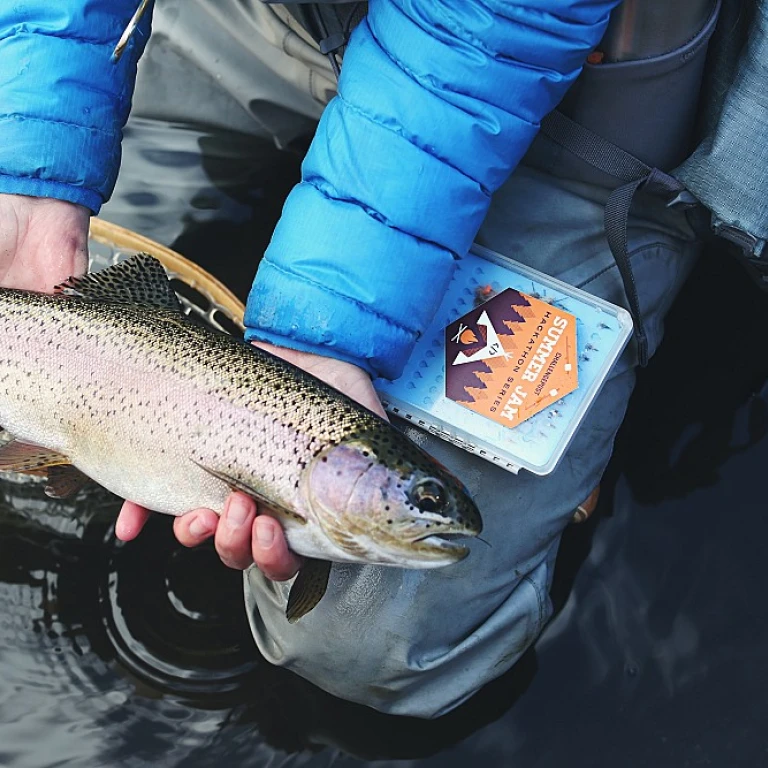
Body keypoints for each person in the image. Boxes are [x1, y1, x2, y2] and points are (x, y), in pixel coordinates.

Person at [0, 0, 719, 717]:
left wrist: (327, 333)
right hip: (294, 17)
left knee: (366, 640)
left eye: (422, 500)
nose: (430, 511)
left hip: (549, 100)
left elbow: (478, 40)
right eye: (424, 499)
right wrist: (32, 163)